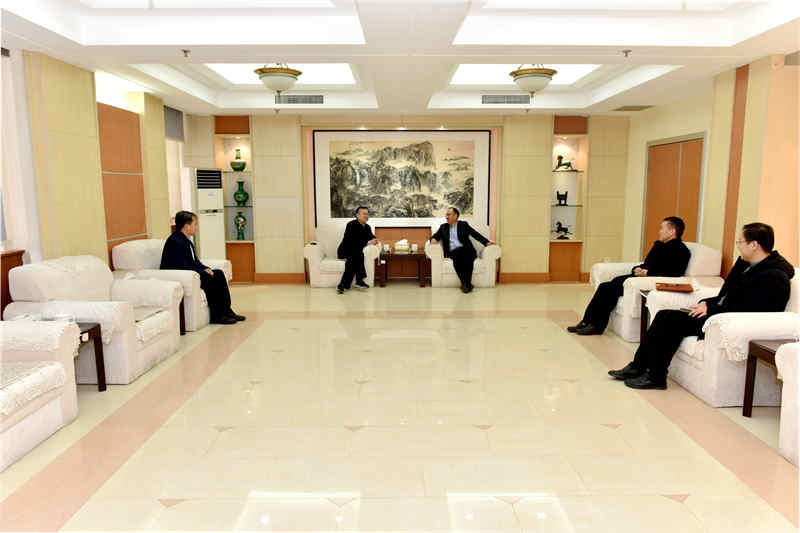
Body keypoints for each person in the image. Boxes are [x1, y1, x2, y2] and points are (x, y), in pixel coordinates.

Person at [609, 222, 794, 390]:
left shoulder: (775, 276)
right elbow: (726, 294)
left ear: (754, 245)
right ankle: (638, 366)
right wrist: (706, 302)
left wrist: (711, 309)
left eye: (740, 242)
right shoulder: (746, 264)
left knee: (670, 320)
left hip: (727, 321)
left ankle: (656, 377)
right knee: (664, 315)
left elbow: (752, 309)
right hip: (718, 311)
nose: (738, 246)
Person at [568, 216, 691, 335]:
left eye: (662, 228)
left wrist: (648, 273)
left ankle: (596, 326)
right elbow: (647, 264)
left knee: (607, 288)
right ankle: (586, 322)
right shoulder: (659, 246)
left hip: (648, 282)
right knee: (606, 286)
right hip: (640, 277)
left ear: (672, 231)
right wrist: (637, 269)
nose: (659, 231)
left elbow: (675, 272)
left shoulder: (681, 250)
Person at [160, 211, 245, 325]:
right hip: (179, 276)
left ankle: (227, 311)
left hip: (189, 272)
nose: (196, 227)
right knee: (210, 278)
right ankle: (217, 316)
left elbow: (195, 261)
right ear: (186, 225)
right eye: (195, 224)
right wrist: (202, 272)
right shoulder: (175, 241)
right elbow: (182, 266)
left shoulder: (185, 240)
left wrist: (205, 268)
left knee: (218, 273)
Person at [430, 206, 495, 293]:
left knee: (468, 259)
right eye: (446, 215)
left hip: (467, 250)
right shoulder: (443, 227)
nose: (446, 217)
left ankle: (465, 284)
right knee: (457, 258)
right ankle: (467, 284)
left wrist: (486, 242)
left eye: (449, 215)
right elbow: (435, 236)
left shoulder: (463, 225)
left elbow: (475, 234)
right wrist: (433, 239)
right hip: (453, 252)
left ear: (455, 216)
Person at [337, 206, 378, 294]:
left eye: (367, 214)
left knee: (354, 258)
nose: (366, 216)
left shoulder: (367, 227)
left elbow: (372, 237)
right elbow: (352, 241)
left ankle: (342, 285)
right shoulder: (351, 225)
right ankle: (359, 280)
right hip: (345, 250)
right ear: (357, 215)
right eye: (364, 214)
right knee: (358, 254)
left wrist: (374, 240)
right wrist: (368, 242)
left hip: (355, 253)